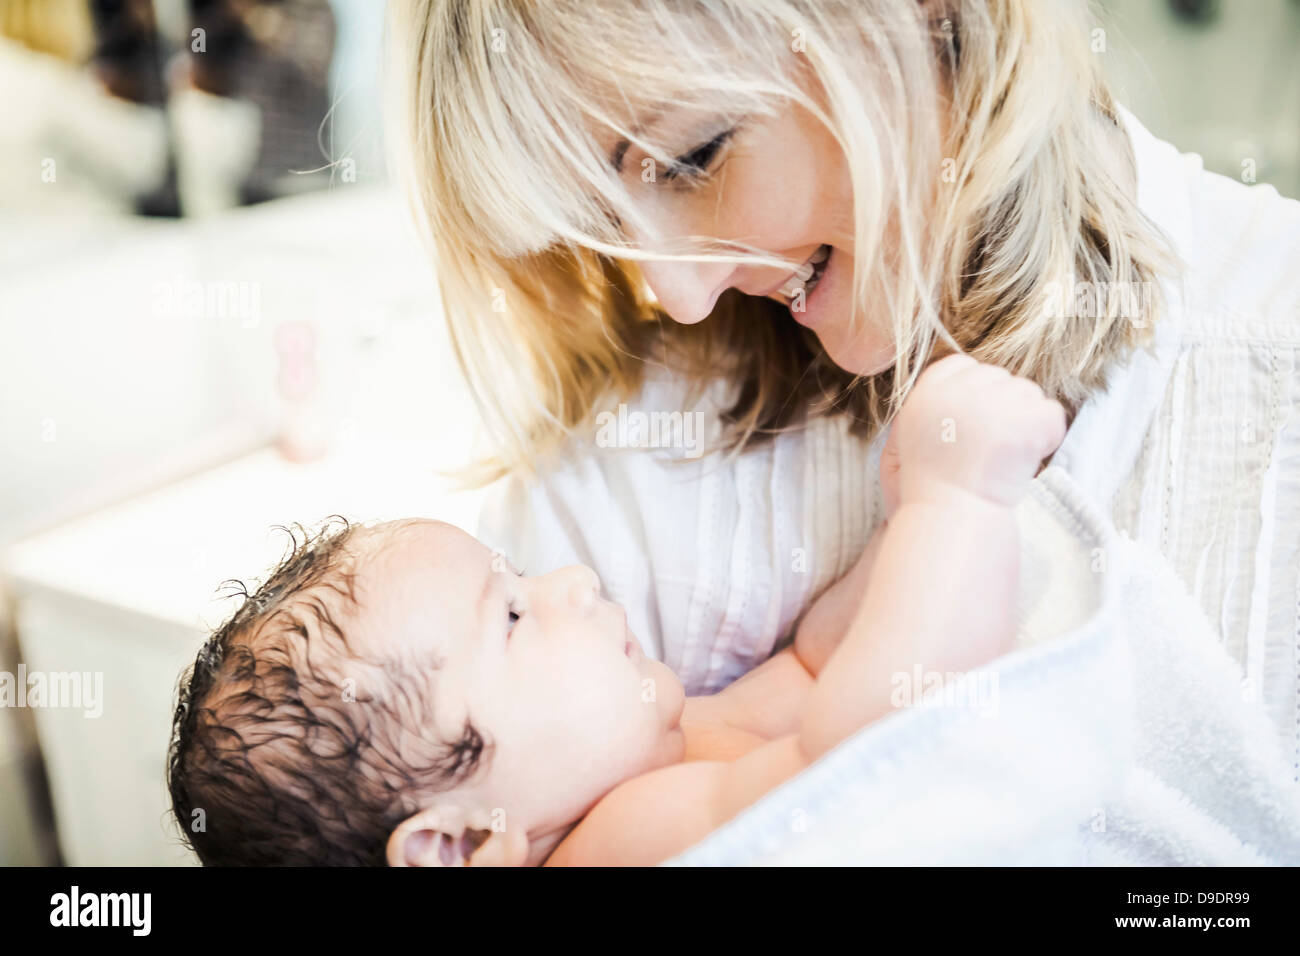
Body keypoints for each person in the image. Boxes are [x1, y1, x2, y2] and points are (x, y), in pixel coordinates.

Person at [390, 1, 1300, 757]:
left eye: (693, 158)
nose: (680, 295)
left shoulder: (1269, 376)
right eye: (602, 222)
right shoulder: (590, 508)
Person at [166, 356, 1065, 866]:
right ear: (459, 847)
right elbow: (870, 765)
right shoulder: (618, 849)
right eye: (513, 618)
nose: (571, 582)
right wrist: (960, 505)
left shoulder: (641, 756)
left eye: (518, 575)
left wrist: (904, 532)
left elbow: (812, 673)